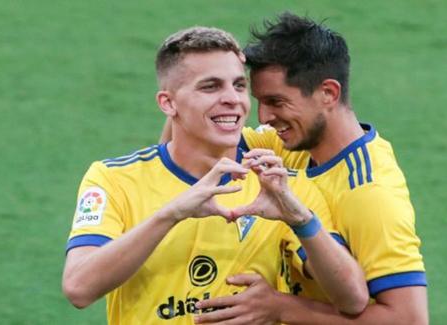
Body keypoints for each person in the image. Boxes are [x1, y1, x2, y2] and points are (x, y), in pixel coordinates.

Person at [62, 26, 368, 324]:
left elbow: (353, 298)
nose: (232, 99)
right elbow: (79, 288)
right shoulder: (114, 179)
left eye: (238, 85)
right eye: (210, 86)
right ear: (168, 103)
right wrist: (173, 213)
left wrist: (300, 219)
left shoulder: (278, 185)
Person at [193, 12, 428, 324]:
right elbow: (195, 142)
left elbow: (409, 319)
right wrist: (198, 81)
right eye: (260, 101)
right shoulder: (293, 145)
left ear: (328, 93)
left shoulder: (369, 193)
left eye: (276, 102)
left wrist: (280, 307)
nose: (263, 117)